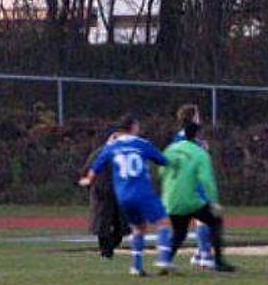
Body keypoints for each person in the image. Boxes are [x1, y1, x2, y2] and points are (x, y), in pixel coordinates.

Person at [79, 114, 175, 276]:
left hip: (123, 195)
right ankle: (164, 259)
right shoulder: (142, 144)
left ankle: (136, 266)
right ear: (134, 127)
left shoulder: (111, 147)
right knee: (164, 223)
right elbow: (163, 161)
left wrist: (88, 179)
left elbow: (95, 166)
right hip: (142, 191)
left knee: (138, 228)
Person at [160, 121, 235, 272]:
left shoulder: (170, 149)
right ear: (197, 135)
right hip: (191, 200)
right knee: (215, 221)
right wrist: (213, 201)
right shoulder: (200, 153)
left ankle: (166, 260)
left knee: (179, 232)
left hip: (171, 200)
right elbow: (207, 180)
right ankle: (219, 261)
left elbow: (162, 171)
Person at [80, 129, 129, 259]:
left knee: (115, 228)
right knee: (106, 227)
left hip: (111, 195)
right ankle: (106, 252)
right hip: (104, 194)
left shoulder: (98, 154)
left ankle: (106, 250)